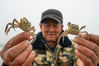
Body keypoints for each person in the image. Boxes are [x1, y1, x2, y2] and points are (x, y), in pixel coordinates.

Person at [0, 9, 99, 66]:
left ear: (62, 27)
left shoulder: (78, 49)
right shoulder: (26, 50)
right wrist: (7, 65)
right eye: (47, 25)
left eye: (55, 25)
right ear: (40, 27)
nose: (51, 30)